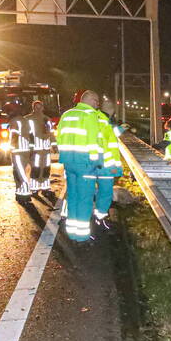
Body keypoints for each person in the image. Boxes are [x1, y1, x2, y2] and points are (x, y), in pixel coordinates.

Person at [56, 90, 106, 243]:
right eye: (96, 101)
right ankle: (82, 236)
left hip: (68, 162)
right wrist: (97, 162)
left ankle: (72, 233)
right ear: (90, 100)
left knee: (72, 196)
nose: (97, 104)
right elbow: (93, 141)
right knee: (85, 199)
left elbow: (59, 137)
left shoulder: (66, 114)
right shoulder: (90, 115)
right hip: (85, 163)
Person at [90, 97, 125, 230]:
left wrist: (119, 129)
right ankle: (100, 218)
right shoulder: (104, 121)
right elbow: (107, 139)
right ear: (112, 111)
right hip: (105, 165)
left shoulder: (96, 118)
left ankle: (93, 215)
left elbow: (107, 135)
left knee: (90, 189)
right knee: (105, 192)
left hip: (93, 164)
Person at [24, 100, 56, 202]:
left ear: (43, 108)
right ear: (33, 108)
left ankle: (45, 188)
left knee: (46, 168)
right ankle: (34, 189)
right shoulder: (28, 119)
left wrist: (54, 145)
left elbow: (51, 133)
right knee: (36, 169)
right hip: (35, 150)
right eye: (36, 107)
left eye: (39, 107)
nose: (38, 109)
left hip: (45, 149)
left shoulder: (47, 119)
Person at [7, 103, 34, 205]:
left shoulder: (14, 121)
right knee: (22, 171)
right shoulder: (26, 120)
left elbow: (14, 135)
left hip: (17, 151)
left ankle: (25, 193)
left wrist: (11, 148)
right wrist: (31, 148)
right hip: (26, 150)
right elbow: (31, 136)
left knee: (19, 173)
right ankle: (20, 193)